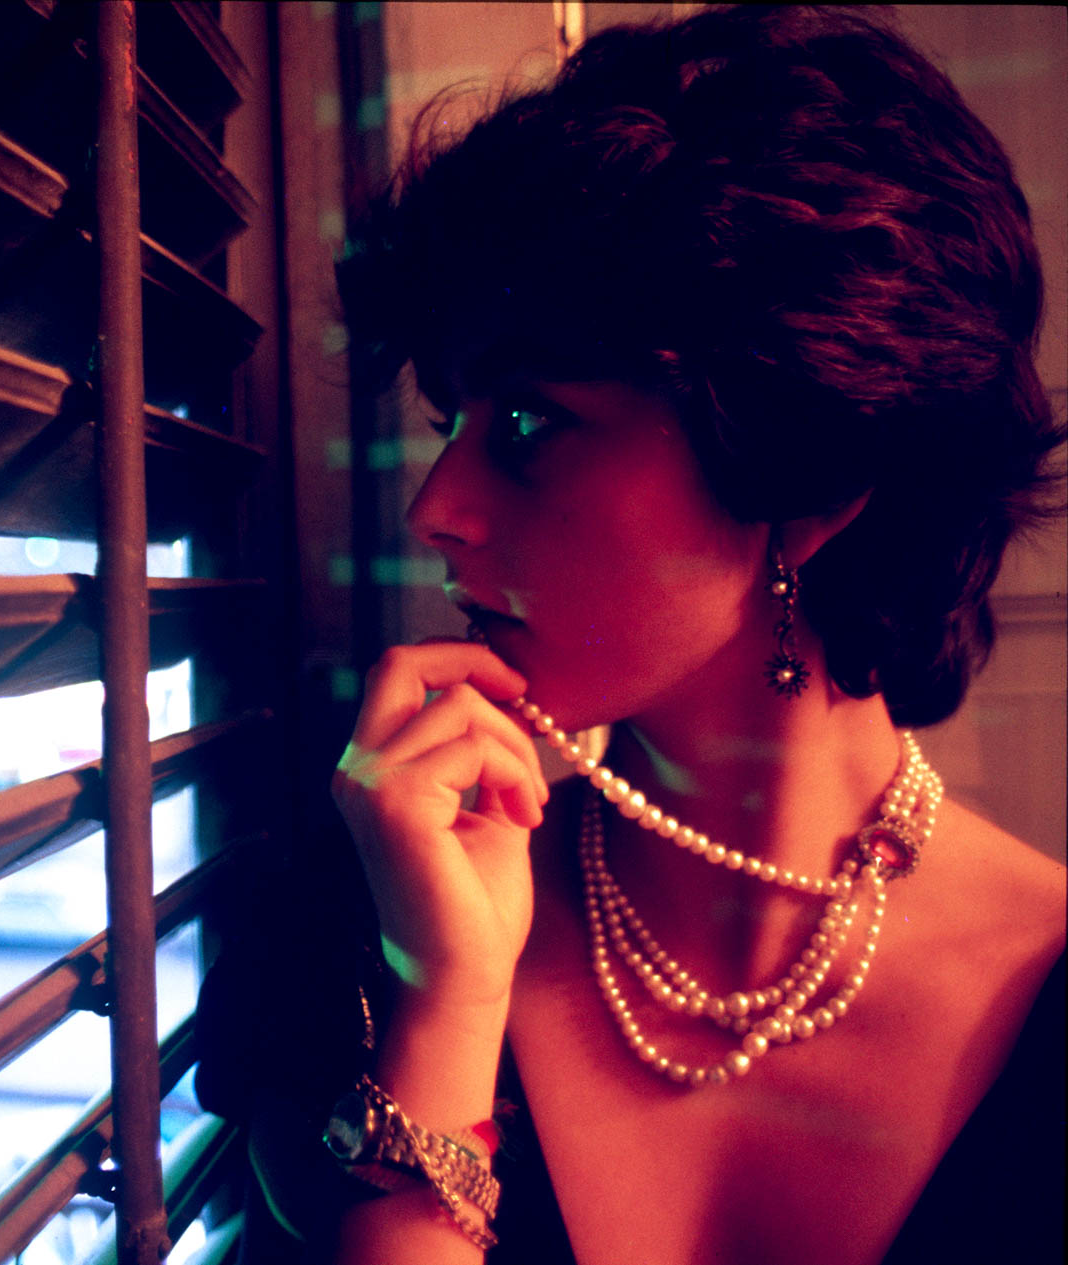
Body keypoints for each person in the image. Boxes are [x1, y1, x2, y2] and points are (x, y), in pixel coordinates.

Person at [196, 7, 1065, 1262]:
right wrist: (446, 1008)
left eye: (534, 423)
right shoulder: (354, 950)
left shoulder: (1040, 998)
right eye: (456, 415)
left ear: (809, 472)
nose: (437, 508)